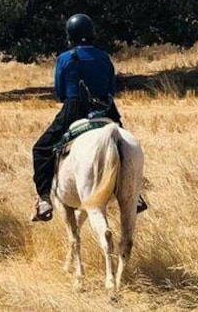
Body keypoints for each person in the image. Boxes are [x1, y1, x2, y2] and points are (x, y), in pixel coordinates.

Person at [31, 14, 146, 222]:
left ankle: (44, 199)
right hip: (106, 108)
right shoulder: (104, 57)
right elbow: (111, 86)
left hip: (74, 107)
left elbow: (60, 90)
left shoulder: (66, 58)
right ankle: (135, 196)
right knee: (124, 145)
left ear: (70, 36)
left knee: (41, 148)